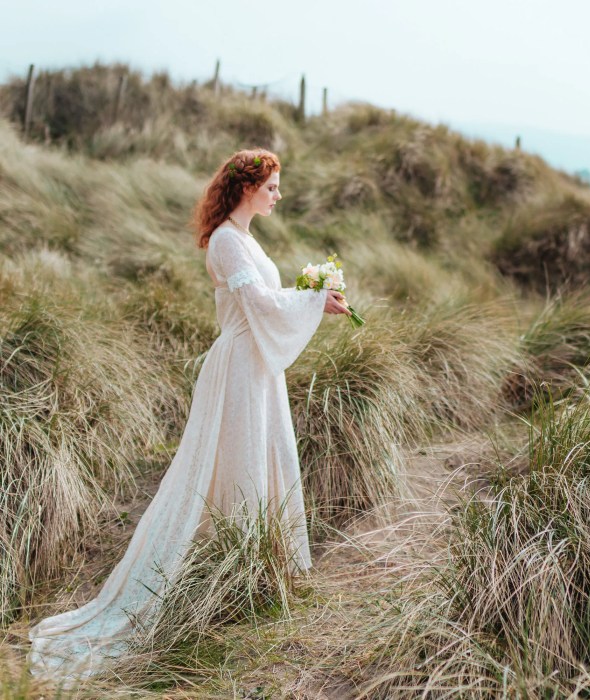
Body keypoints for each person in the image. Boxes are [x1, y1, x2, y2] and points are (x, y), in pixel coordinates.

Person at [27, 148, 351, 682]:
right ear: (247, 187)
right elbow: (263, 308)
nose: (278, 194)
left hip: (256, 365)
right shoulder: (226, 240)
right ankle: (227, 568)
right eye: (271, 186)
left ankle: (258, 568)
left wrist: (316, 297)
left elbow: (268, 300)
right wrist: (313, 301)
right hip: (240, 366)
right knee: (235, 456)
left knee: (258, 451)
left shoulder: (244, 238)